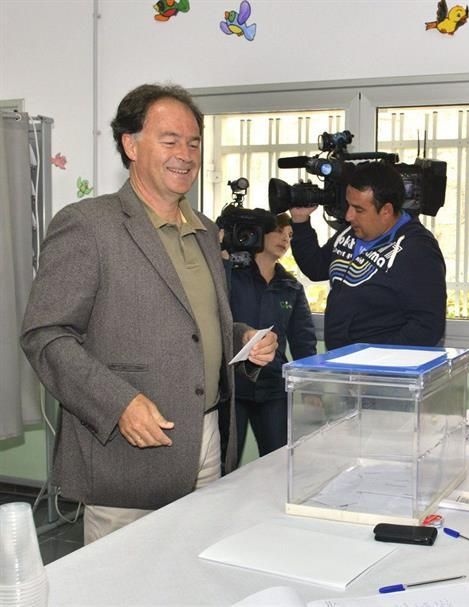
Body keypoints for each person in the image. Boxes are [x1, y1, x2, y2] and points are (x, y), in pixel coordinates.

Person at [19, 83, 277, 543]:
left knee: (194, 567)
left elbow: (195, 323)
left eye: (194, 143)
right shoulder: (88, 225)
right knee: (123, 576)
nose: (186, 155)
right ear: (131, 145)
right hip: (129, 453)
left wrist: (241, 338)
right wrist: (118, 403)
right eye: (170, 140)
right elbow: (46, 334)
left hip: (209, 437)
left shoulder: (204, 231)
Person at [289, 161, 447, 350]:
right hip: (343, 360)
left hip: (380, 365)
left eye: (359, 209)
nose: (349, 216)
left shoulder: (417, 249)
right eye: (348, 205)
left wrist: (376, 358)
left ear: (386, 211)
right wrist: (300, 221)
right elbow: (315, 267)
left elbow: (427, 325)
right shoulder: (351, 232)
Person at [224, 212, 317, 463]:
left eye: (290, 235)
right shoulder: (229, 276)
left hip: (273, 385)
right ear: (258, 234)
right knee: (226, 464)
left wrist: (310, 388)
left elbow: (303, 340)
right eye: (279, 231)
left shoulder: (291, 286)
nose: (285, 239)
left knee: (277, 462)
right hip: (233, 387)